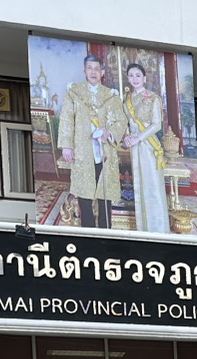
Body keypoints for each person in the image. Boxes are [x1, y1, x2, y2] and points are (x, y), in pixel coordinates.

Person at [57, 53, 127, 229]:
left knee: (105, 194)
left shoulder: (111, 96)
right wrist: (67, 146)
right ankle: (88, 231)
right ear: (84, 71)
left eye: (97, 69)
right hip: (82, 150)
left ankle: (106, 232)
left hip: (105, 152)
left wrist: (109, 133)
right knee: (84, 195)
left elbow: (121, 120)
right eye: (90, 68)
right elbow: (66, 119)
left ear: (102, 72)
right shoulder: (74, 92)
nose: (93, 72)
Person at [121, 61, 174, 234]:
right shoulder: (127, 100)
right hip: (134, 146)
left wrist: (138, 138)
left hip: (148, 145)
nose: (135, 79)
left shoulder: (153, 98)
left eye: (138, 75)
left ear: (144, 78)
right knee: (139, 186)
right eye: (131, 76)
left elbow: (156, 125)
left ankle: (158, 229)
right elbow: (125, 122)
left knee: (152, 186)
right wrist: (127, 136)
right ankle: (142, 228)